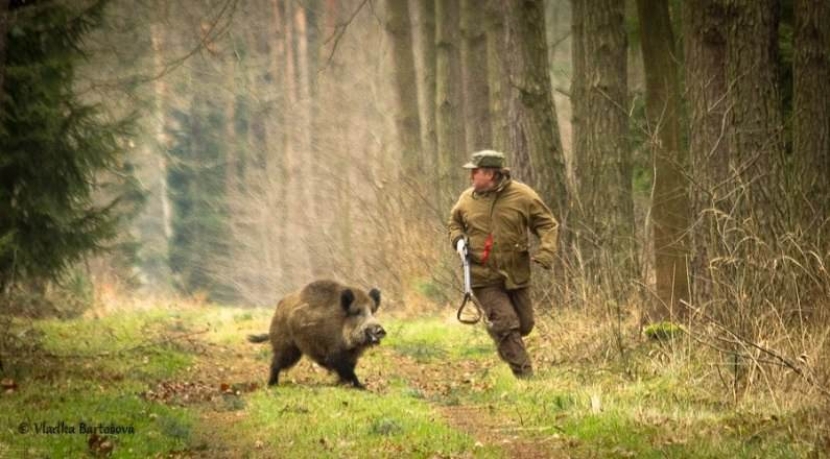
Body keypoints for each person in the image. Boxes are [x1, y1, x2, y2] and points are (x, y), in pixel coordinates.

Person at [448, 150, 559, 379]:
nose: (471, 178)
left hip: (515, 273)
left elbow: (547, 224)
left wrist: (546, 251)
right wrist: (458, 241)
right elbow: (454, 223)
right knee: (508, 323)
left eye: (475, 172)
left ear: (490, 174)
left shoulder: (523, 196)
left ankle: (498, 330)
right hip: (482, 275)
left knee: (524, 324)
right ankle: (527, 378)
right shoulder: (466, 199)